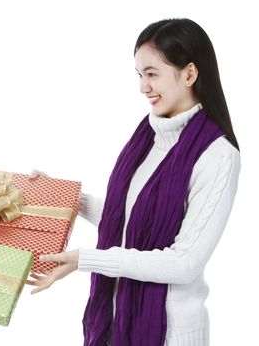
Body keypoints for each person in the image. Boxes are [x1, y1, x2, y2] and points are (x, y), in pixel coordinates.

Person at [28, 18, 241, 346]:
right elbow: (128, 221)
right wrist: (67, 197)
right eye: (140, 75)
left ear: (189, 74)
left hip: (169, 334)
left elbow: (184, 262)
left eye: (152, 74)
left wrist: (86, 259)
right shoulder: (149, 137)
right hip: (114, 326)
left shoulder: (217, 155)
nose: (143, 87)